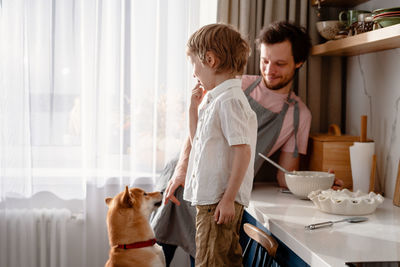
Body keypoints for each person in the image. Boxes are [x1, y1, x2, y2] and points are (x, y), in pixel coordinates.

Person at [151, 21, 342, 266]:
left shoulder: (298, 116)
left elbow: (285, 176)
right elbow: (198, 132)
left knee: (205, 256)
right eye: (265, 61)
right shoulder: (234, 84)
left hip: (220, 190)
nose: (270, 69)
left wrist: (320, 184)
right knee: (154, 255)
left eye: (280, 63)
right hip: (186, 176)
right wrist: (181, 170)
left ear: (299, 63)